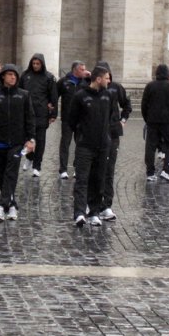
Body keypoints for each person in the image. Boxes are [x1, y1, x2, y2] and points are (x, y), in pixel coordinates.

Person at [68, 66, 117, 227]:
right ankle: (80, 213)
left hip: (103, 146)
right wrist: (82, 135)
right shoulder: (80, 96)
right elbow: (71, 120)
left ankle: (94, 212)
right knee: (82, 179)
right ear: (98, 79)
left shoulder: (108, 96)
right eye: (107, 78)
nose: (109, 81)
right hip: (85, 146)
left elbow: (109, 117)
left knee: (98, 180)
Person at [0, 64, 36, 221]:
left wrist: (31, 139)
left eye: (15, 75)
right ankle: (12, 205)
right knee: (1, 175)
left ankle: (1, 206)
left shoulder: (24, 95)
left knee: (11, 173)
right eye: (9, 74)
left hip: (18, 144)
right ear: (3, 77)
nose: (13, 77)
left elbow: (30, 119)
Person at [97, 61, 131, 221]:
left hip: (112, 133)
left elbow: (127, 105)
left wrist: (122, 120)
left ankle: (106, 205)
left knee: (109, 170)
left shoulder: (116, 88)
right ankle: (93, 203)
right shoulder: (90, 90)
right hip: (95, 135)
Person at [19, 53, 58, 177]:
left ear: (42, 64)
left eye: (38, 64)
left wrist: (53, 114)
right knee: (27, 138)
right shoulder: (25, 75)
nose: (35, 66)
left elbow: (53, 97)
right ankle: (30, 157)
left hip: (41, 113)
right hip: (26, 113)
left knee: (40, 141)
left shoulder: (49, 77)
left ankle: (37, 166)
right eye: (34, 64)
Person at [141, 64, 169, 182]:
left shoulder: (150, 86)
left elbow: (144, 105)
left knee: (150, 147)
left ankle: (150, 172)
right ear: (168, 74)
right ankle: (166, 170)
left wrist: (147, 119)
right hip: (168, 122)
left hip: (152, 121)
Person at [56, 61, 89, 179]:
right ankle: (63, 169)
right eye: (82, 69)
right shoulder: (64, 82)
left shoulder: (86, 82)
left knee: (80, 144)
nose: (85, 71)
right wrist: (52, 112)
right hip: (67, 118)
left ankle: (77, 168)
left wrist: (91, 77)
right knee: (65, 143)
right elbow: (54, 96)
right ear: (75, 70)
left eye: (85, 69)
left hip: (82, 119)